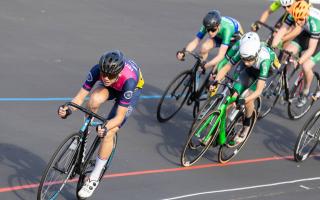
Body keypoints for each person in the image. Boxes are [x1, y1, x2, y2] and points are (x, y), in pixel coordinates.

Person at [58, 50, 144, 198]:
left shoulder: (129, 80)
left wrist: (106, 127)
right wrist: (68, 109)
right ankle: (85, 133)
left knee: (110, 132)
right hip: (115, 87)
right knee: (94, 99)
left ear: (118, 72)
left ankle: (94, 177)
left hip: (129, 90)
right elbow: (79, 97)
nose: (105, 78)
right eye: (103, 73)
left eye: (110, 75)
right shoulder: (98, 71)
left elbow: (119, 117)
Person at [210, 32, 277, 144]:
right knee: (232, 97)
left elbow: (258, 91)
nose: (246, 63)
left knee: (247, 97)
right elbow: (226, 67)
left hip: (266, 73)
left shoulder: (264, 60)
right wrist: (216, 81)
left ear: (256, 53)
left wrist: (244, 100)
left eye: (249, 59)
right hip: (251, 70)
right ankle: (220, 129)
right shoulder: (245, 54)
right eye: (243, 59)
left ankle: (246, 127)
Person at [272, 1, 320, 107]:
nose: (299, 22)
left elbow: (311, 49)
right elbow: (282, 31)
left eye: (301, 19)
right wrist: (273, 45)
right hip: (307, 34)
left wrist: (300, 60)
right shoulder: (293, 13)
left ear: (306, 15)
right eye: (296, 19)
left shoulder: (314, 22)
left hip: (317, 40)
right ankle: (284, 78)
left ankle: (305, 92)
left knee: (306, 66)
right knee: (288, 52)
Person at [176, 10, 243, 74]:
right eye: (208, 30)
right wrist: (184, 52)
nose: (210, 33)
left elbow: (220, 55)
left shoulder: (227, 29)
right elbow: (196, 41)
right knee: (204, 47)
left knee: (218, 68)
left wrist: (207, 66)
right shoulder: (208, 25)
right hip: (219, 35)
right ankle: (199, 72)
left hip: (233, 41)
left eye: (213, 30)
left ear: (218, 25)